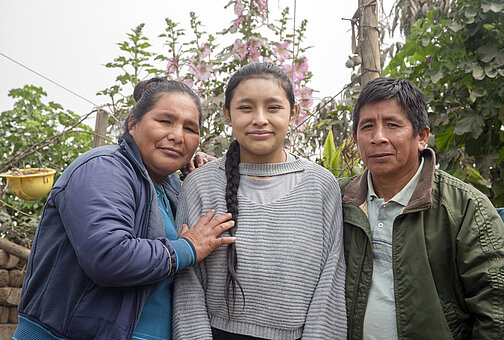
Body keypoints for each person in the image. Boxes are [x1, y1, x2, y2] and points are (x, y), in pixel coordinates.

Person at [14, 78, 236, 339]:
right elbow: (108, 256)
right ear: (133, 123)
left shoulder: (170, 187)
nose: (177, 135)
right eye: (165, 121)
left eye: (190, 128)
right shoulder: (103, 169)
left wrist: (204, 179)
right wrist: (187, 247)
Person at [172, 63, 347, 339]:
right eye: (246, 108)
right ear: (227, 114)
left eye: (274, 107)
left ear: (294, 113)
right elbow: (187, 286)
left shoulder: (321, 185)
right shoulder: (201, 185)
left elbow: (331, 285)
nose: (260, 119)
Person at [339, 77, 504, 339]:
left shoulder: (465, 208)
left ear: (421, 136)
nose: (378, 138)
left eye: (392, 125)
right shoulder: (338, 200)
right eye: (368, 127)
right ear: (355, 138)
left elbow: (497, 309)